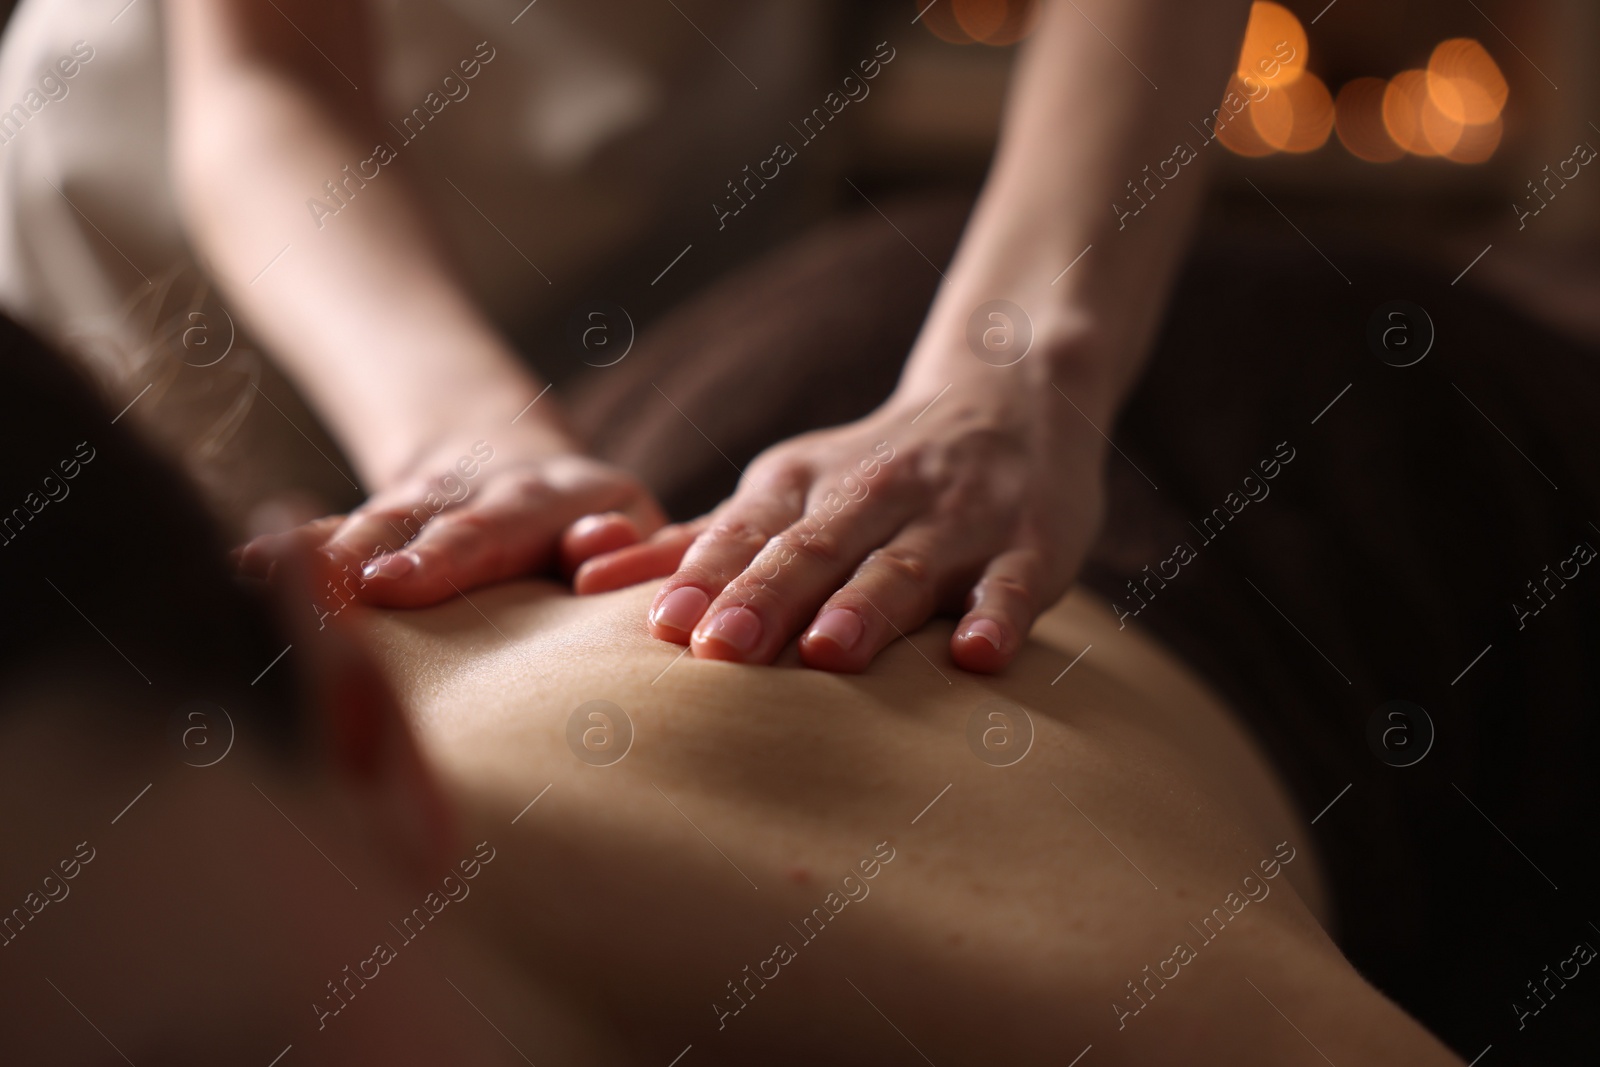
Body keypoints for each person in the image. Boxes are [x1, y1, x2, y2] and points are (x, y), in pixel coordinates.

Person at [0, 311, 1463, 1066]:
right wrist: (463, 424)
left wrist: (1031, 349)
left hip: (1294, 478)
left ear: (368, 742)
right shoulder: (193, 848)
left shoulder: (999, 978)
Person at [0, 0, 1262, 674]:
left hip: (678, 197)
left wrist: (1022, 368)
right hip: (194, 234)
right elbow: (267, 73)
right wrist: (462, 435)